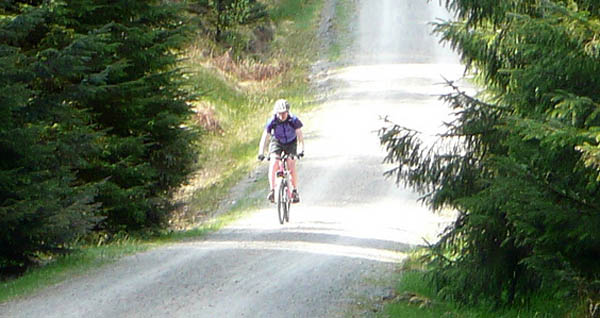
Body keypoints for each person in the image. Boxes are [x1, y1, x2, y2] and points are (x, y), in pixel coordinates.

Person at [258, 99, 304, 203]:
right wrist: (261, 152)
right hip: (277, 141)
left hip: (291, 142)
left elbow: (300, 137)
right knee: (273, 163)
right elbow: (265, 137)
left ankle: (294, 191)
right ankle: (272, 191)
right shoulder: (273, 121)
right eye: (279, 113)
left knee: (291, 164)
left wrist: (301, 150)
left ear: (288, 112)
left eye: (284, 113)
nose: (282, 116)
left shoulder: (293, 120)